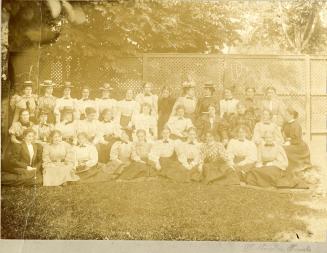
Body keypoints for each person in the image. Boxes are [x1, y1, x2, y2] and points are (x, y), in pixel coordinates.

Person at [282, 107, 311, 172]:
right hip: (289, 142)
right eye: (285, 114)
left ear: (291, 115)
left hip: (298, 144)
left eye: (286, 115)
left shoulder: (296, 125)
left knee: (285, 149)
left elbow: (297, 139)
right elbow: (283, 134)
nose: (285, 116)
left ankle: (291, 168)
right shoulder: (286, 124)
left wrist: (289, 142)